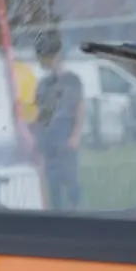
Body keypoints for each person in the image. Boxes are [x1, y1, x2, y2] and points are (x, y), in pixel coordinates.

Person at [31, 31, 86, 210]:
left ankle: (76, 211)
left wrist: (75, 135)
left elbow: (79, 108)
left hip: (66, 135)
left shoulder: (72, 80)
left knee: (71, 180)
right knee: (53, 183)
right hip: (49, 139)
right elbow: (41, 114)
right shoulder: (43, 85)